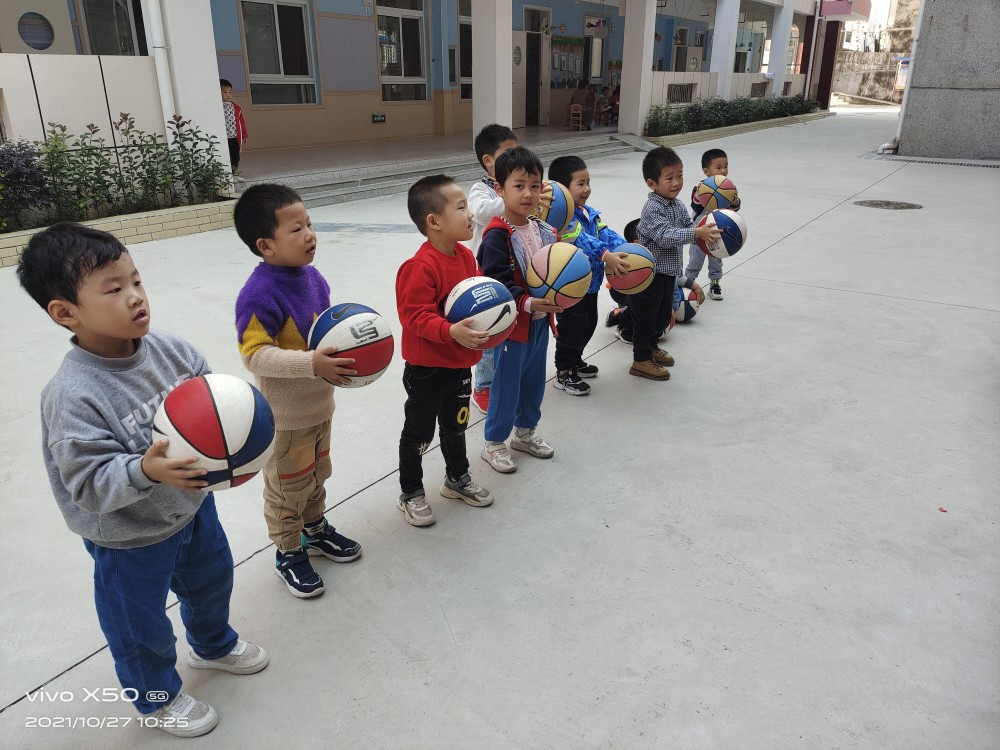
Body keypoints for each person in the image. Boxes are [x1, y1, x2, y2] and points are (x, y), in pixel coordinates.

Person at [17, 223, 268, 738]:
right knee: (138, 624)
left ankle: (212, 644)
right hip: (127, 537)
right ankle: (156, 697)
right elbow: (88, 484)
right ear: (64, 312)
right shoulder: (73, 395)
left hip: (191, 509)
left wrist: (239, 428)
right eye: (113, 289)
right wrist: (144, 470)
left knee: (213, 581)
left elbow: (215, 405)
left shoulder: (172, 351)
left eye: (136, 280)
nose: (135, 296)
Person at [234, 184, 362, 599]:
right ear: (265, 245)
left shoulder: (313, 277)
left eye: (309, 224)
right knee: (287, 488)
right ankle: (288, 551)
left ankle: (315, 529)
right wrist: (312, 364)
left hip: (320, 406)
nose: (310, 234)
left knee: (316, 475)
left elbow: (326, 330)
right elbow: (255, 355)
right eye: (296, 229)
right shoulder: (258, 294)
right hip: (285, 420)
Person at [394, 175, 495, 527]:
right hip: (427, 370)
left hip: (459, 365)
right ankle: (411, 492)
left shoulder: (466, 257)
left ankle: (457, 478)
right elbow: (414, 316)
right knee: (418, 435)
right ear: (434, 221)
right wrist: (450, 330)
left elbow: (478, 298)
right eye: (462, 207)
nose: (471, 214)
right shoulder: (419, 267)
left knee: (456, 426)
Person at [479, 147, 561, 473]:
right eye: (519, 186)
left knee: (534, 381)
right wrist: (525, 302)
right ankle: (494, 443)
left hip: (540, 322)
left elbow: (556, 271)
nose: (528, 194)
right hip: (513, 326)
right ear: (499, 189)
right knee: (506, 384)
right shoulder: (496, 235)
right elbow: (494, 282)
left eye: (535, 186)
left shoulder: (542, 230)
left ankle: (525, 433)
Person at [632, 147, 720, 381]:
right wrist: (696, 234)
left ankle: (652, 348)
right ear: (652, 183)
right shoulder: (652, 208)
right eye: (669, 178)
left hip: (669, 273)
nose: (676, 183)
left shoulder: (678, 205)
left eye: (680, 175)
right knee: (646, 318)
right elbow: (665, 235)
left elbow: (689, 227)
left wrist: (704, 231)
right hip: (649, 276)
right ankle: (640, 360)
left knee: (662, 317)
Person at [548, 155, 630, 396]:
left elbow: (605, 234)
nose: (587, 189)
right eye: (580, 184)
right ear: (563, 190)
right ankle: (564, 371)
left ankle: (576, 360)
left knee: (588, 325)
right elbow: (581, 239)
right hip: (570, 287)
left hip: (591, 286)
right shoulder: (562, 218)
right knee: (572, 329)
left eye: (588, 182)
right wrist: (605, 254)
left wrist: (625, 247)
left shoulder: (589, 212)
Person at [468, 124, 518, 416]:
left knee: (511, 329)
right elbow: (481, 212)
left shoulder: (518, 187)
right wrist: (511, 196)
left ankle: (504, 380)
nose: (515, 157)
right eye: (508, 153)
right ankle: (483, 387)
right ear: (488, 161)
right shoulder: (481, 190)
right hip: (485, 273)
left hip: (513, 268)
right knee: (488, 333)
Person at [682, 148, 741, 301]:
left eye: (726, 166)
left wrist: (735, 201)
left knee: (716, 258)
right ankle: (688, 284)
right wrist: (702, 194)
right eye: (719, 167)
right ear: (706, 171)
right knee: (695, 259)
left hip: (718, 229)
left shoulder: (729, 188)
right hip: (700, 230)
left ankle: (715, 284)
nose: (724, 170)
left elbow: (733, 210)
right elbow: (696, 206)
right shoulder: (701, 186)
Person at [220, 79, 247, 180]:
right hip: (223, 138)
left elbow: (241, 123)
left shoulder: (236, 108)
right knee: (225, 156)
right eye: (225, 92)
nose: (228, 95)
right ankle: (227, 175)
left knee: (235, 156)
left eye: (230, 92)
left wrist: (244, 135)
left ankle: (235, 174)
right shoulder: (217, 107)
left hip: (234, 137)